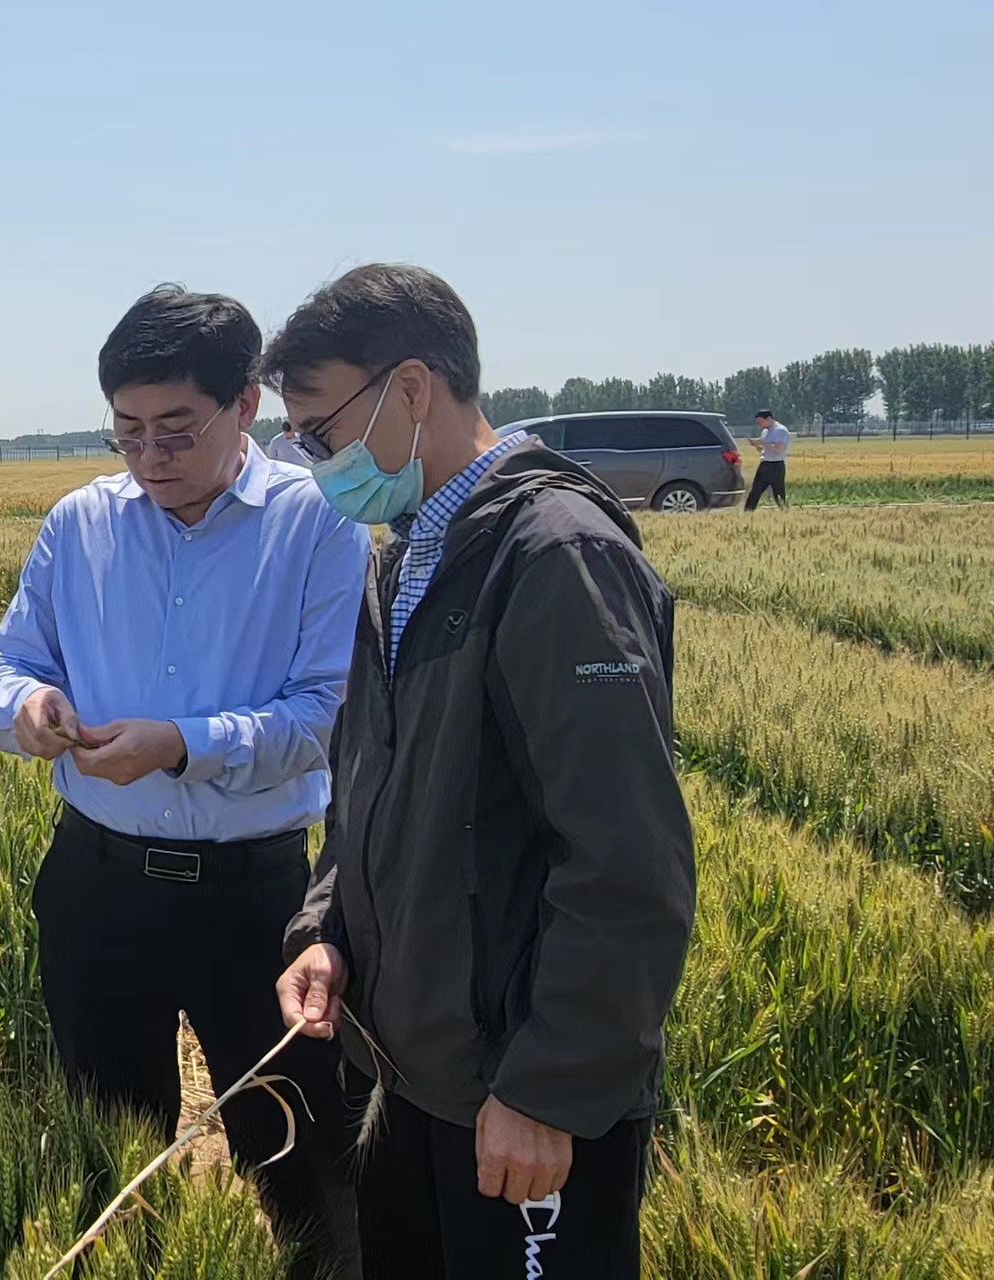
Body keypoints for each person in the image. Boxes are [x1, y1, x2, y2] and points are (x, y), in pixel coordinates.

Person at [261, 264, 694, 1279]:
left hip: (518, 1100)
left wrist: (550, 1087)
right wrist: (325, 930)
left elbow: (627, 859)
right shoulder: (405, 557)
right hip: (408, 1075)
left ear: (411, 390)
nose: (314, 461)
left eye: (321, 431)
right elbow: (369, 796)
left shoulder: (555, 559)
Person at [0, 286, 368, 1274]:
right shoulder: (80, 522)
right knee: (110, 1161)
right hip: (97, 885)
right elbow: (11, 662)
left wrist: (180, 744)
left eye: (176, 429)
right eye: (128, 431)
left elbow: (323, 716)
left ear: (247, 405)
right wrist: (28, 707)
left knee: (303, 1156)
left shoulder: (320, 524)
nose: (150, 456)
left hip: (258, 899)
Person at [744, 410, 791, 510]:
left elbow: (778, 448)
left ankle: (785, 512)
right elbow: (765, 449)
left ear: (769, 419)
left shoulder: (781, 430)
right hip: (764, 463)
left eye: (761, 422)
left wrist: (763, 442)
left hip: (776, 465)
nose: (760, 425)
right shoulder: (765, 431)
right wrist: (757, 446)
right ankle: (747, 513)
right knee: (755, 491)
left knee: (778, 492)